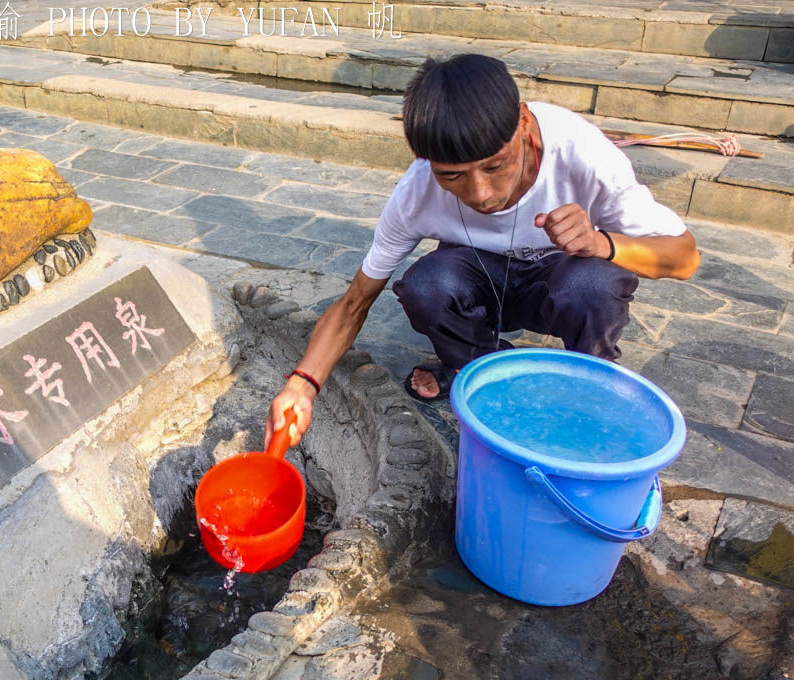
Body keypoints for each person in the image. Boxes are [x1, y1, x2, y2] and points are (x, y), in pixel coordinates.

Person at [266, 53, 699, 447]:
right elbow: (354, 302)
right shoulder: (416, 192)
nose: (481, 193)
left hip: (559, 281)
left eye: (495, 165)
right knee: (426, 286)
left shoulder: (582, 155)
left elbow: (684, 257)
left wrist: (602, 243)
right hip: (482, 283)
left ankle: (590, 385)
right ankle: (481, 371)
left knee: (593, 282)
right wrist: (301, 386)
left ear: (524, 122)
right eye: (452, 176)